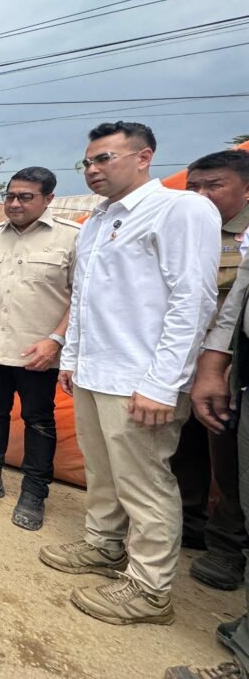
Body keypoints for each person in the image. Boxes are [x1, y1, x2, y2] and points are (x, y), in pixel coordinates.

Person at [39, 121, 219, 627]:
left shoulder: (181, 209)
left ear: (144, 157)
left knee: (146, 483)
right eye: (89, 161)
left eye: (105, 159)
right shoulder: (96, 221)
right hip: (97, 371)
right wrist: (71, 358)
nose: (94, 169)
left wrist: (162, 383)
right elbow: (87, 298)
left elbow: (193, 300)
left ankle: (149, 588)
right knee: (104, 472)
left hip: (142, 379)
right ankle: (103, 545)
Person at [0, 167, 79, 532]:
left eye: (25, 196)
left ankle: (33, 493)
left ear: (48, 199)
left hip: (38, 353)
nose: (14, 203)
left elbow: (82, 297)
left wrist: (55, 339)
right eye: (10, 195)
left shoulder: (72, 239)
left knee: (38, 421)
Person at [169, 227, 249, 677]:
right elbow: (236, 302)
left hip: (216, 365)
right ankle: (211, 537)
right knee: (209, 457)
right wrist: (217, 362)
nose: (201, 195)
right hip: (214, 367)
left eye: (212, 185)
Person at [171, 150, 249, 589]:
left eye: (212, 186)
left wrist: (217, 366)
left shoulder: (243, 238)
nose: (199, 196)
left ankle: (228, 546)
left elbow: (232, 309)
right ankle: (194, 525)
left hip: (232, 366)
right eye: (193, 187)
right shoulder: (182, 230)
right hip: (184, 359)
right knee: (184, 447)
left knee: (232, 459)